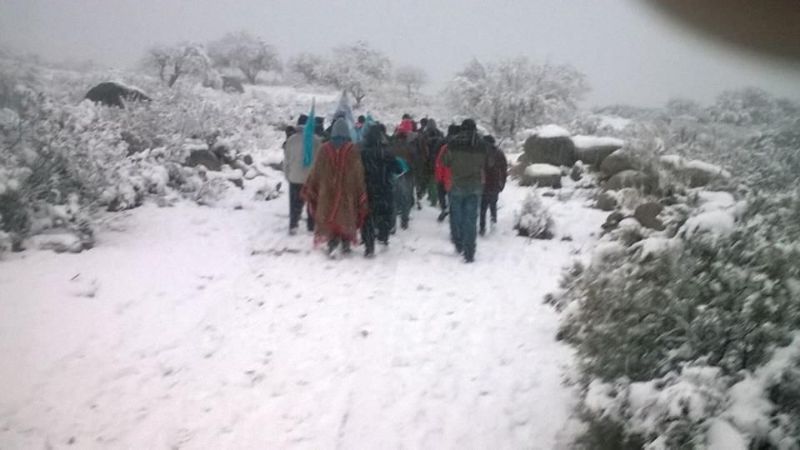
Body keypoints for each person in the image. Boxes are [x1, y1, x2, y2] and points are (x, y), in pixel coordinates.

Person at [302, 118, 368, 258]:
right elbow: (358, 174)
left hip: (327, 192)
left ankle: (332, 243)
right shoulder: (352, 150)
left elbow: (316, 171)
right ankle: (345, 243)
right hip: (347, 192)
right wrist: (360, 191)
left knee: (329, 216)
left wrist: (312, 187)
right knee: (345, 216)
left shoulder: (324, 149)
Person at [444, 119, 488, 263]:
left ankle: (458, 243)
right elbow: (488, 163)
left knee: (456, 216)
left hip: (457, 185)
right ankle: (470, 252)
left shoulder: (453, 143)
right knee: (471, 220)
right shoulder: (481, 144)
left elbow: (446, 162)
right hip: (474, 187)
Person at [359, 122, 402, 257]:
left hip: (368, 187)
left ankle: (368, 244)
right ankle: (383, 237)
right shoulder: (387, 152)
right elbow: (398, 169)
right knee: (383, 214)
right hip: (384, 188)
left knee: (367, 216)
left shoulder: (362, 152)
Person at [283, 115, 320, 234]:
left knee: (294, 203)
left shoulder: (291, 140)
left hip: (294, 177)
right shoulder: (315, 140)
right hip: (311, 177)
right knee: (311, 202)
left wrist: (287, 175)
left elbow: (286, 160)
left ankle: (293, 224)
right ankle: (311, 225)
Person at [390, 118, 418, 230]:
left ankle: (392, 223)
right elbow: (415, 160)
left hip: (394, 173)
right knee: (406, 198)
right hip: (407, 174)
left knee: (394, 198)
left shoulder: (392, 144)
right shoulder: (410, 146)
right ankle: (404, 220)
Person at [480, 135, 508, 235]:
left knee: (482, 207)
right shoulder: (499, 153)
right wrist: (502, 184)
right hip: (495, 184)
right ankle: (493, 224)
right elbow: (504, 171)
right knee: (493, 205)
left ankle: (482, 227)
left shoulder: (481, 153)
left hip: (483, 185)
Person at [434, 124, 459, 222]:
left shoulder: (443, 143)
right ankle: (453, 211)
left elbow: (439, 160)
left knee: (441, 193)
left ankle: (444, 208)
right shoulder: (462, 145)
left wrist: (438, 176)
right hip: (456, 175)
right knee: (453, 194)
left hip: (443, 173)